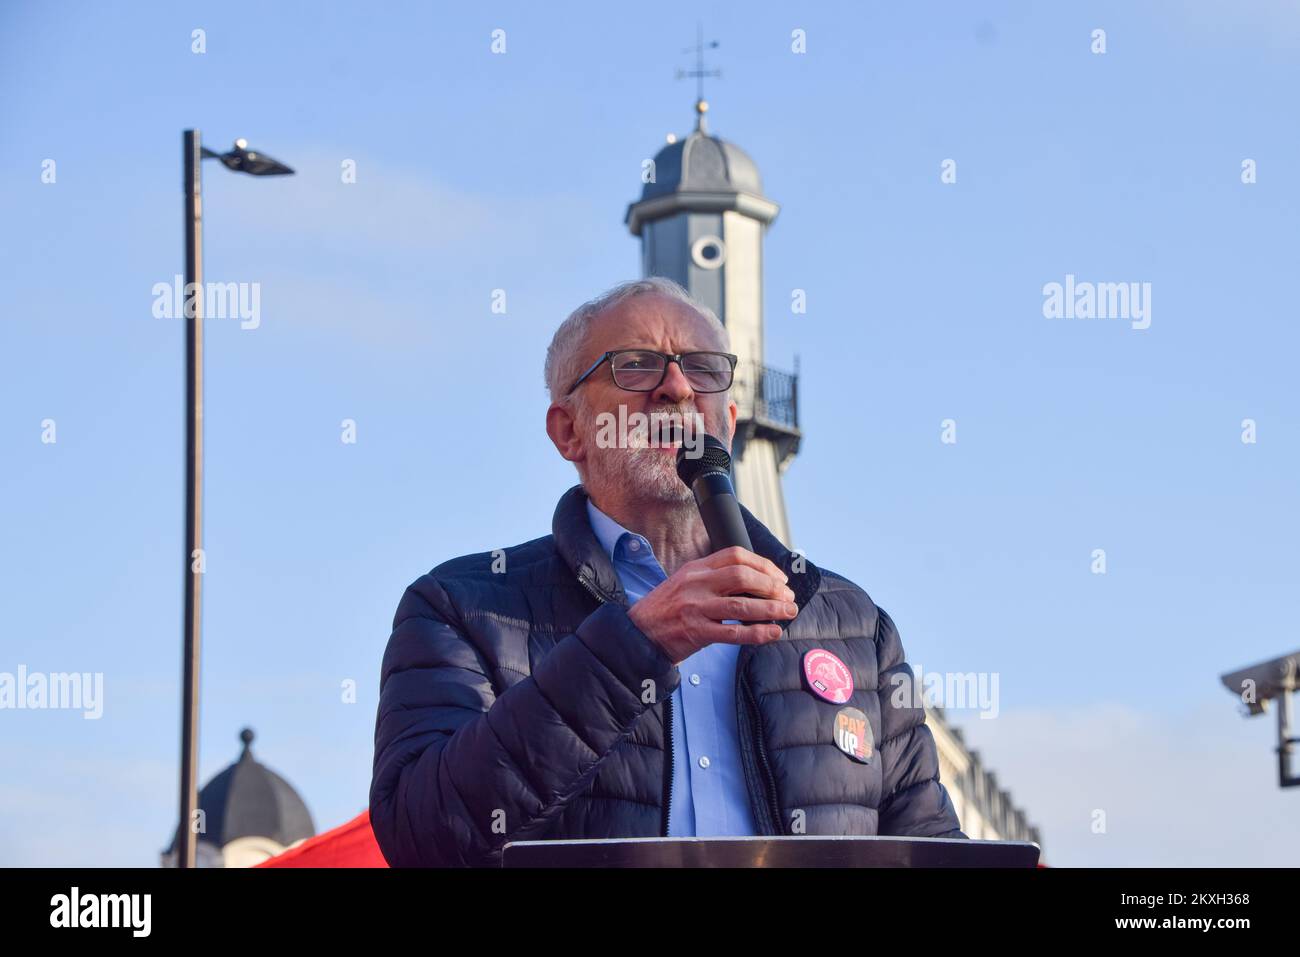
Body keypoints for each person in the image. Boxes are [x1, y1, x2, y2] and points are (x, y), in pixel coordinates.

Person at [369, 277, 966, 867]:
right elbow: (423, 834)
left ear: (728, 422)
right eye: (634, 367)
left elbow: (930, 850)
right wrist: (635, 646)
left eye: (703, 368)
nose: (677, 387)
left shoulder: (850, 625)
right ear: (569, 430)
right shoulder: (461, 608)